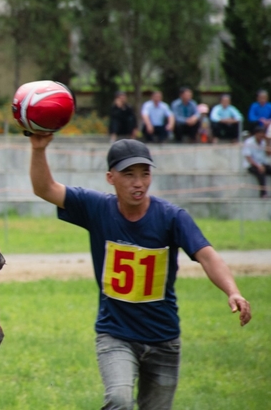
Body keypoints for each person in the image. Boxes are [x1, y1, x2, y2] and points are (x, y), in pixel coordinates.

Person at [28, 134, 252, 410]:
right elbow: (45, 188)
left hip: (164, 340)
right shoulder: (96, 207)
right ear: (111, 178)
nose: (138, 182)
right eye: (129, 174)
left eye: (145, 174)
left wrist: (233, 291)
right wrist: (38, 149)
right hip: (115, 335)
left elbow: (206, 254)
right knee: (119, 400)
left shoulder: (171, 216)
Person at [242, 125, 271, 198]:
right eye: (260, 133)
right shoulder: (249, 142)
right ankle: (263, 193)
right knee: (260, 173)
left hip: (262, 163)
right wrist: (258, 166)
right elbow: (248, 157)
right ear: (256, 134)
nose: (261, 135)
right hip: (251, 164)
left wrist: (268, 143)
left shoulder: (264, 142)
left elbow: (268, 154)